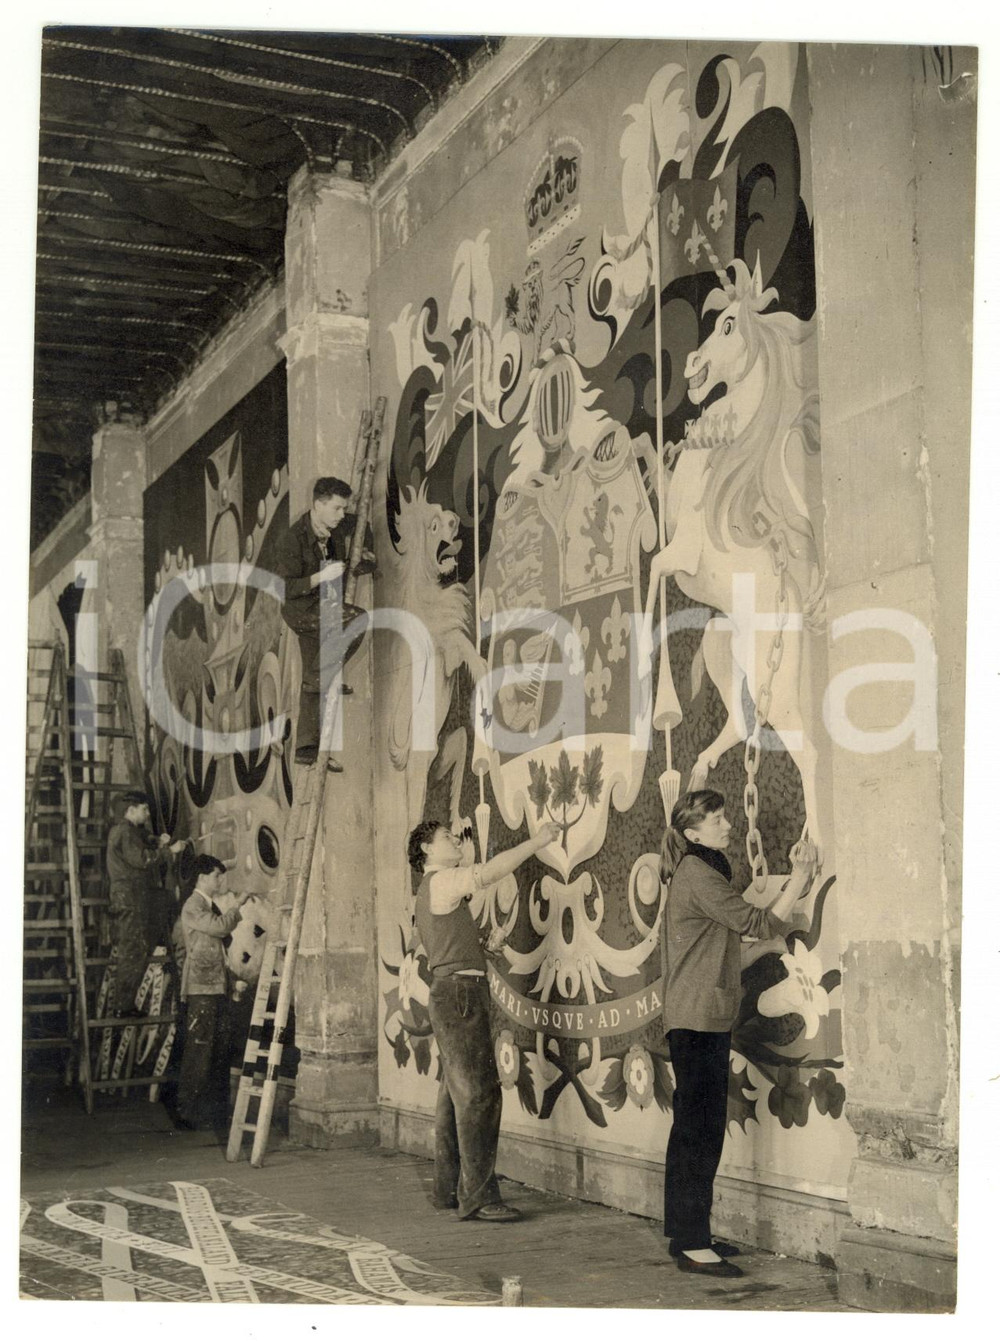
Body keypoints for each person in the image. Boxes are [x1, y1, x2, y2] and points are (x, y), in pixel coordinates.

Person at [659, 789, 814, 1278]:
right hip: (698, 1017)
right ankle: (691, 1243)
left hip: (699, 1014)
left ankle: (688, 1234)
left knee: (695, 1126)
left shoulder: (699, 874)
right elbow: (759, 919)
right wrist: (803, 876)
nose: (728, 824)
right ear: (692, 833)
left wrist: (763, 947)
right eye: (717, 819)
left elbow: (722, 953)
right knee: (699, 1129)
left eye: (726, 815)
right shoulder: (699, 876)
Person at [408, 816, 561, 1222]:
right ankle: (478, 1198)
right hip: (460, 995)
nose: (453, 839)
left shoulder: (432, 891)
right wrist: (537, 840)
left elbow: (444, 944)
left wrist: (479, 947)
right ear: (427, 850)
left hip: (453, 990)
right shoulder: (441, 881)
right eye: (445, 837)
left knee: (454, 1095)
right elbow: (489, 873)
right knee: (480, 1094)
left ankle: (447, 1190)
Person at [274, 475, 375, 770]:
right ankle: (320, 678)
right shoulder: (291, 540)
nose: (343, 514)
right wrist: (320, 577)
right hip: (302, 609)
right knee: (358, 619)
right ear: (318, 505)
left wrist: (366, 554)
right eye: (337, 508)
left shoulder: (338, 522)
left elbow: (362, 523)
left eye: (344, 508)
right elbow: (283, 588)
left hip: (326, 604)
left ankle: (306, 749)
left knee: (315, 671)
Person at [174, 854, 253, 1131]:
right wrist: (239, 904)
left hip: (215, 987)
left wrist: (231, 981)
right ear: (202, 878)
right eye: (217, 876)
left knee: (217, 1051)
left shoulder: (208, 906)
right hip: (201, 989)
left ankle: (212, 1113)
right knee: (199, 1052)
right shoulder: (193, 907)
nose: (221, 880)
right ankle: (186, 1112)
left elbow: (218, 951)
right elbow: (219, 929)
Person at [105, 790, 186, 1016]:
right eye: (144, 809)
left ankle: (124, 1004)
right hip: (129, 899)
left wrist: (156, 840)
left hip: (132, 897)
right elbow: (142, 859)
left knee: (135, 947)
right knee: (132, 951)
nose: (148, 813)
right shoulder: (125, 832)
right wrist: (169, 851)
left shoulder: (126, 830)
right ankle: (123, 1007)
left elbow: (142, 840)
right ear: (131, 810)